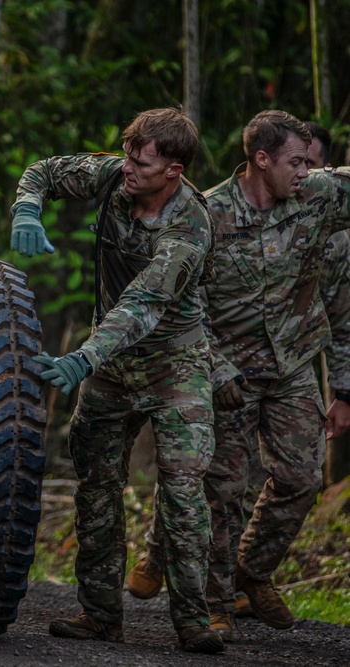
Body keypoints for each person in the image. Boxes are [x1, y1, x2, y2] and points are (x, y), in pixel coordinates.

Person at [11, 108, 224, 653]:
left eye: (141, 161)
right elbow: (44, 171)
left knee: (182, 493)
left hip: (174, 361)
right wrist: (27, 210)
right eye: (126, 154)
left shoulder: (190, 225)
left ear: (173, 171)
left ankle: (193, 622)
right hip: (110, 361)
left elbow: (144, 303)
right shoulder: (114, 176)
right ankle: (100, 614)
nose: (127, 167)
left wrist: (84, 357)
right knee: (96, 487)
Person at [129, 115, 350, 634]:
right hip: (225, 371)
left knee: (301, 477)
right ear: (261, 160)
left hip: (292, 363)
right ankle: (216, 604)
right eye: (296, 162)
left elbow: (341, 306)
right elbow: (185, 306)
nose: (305, 172)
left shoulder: (315, 195)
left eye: (309, 163)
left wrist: (344, 388)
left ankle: (253, 574)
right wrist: (218, 370)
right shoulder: (206, 216)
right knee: (221, 490)